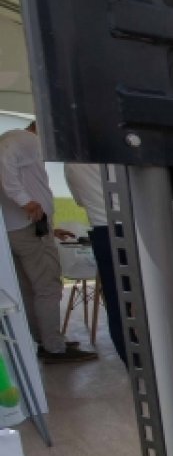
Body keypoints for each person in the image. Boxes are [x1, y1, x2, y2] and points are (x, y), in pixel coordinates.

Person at [0, 121, 97, 363]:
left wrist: (50, 228)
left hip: (16, 229)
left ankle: (44, 340)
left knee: (29, 289)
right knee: (48, 288)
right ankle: (54, 346)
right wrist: (25, 201)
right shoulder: (24, 140)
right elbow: (7, 165)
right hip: (29, 229)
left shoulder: (17, 141)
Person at [64, 163, 127, 365]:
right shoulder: (112, 150)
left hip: (101, 231)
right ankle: (157, 364)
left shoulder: (72, 162)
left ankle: (133, 365)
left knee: (117, 303)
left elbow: (80, 200)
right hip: (131, 226)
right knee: (150, 299)